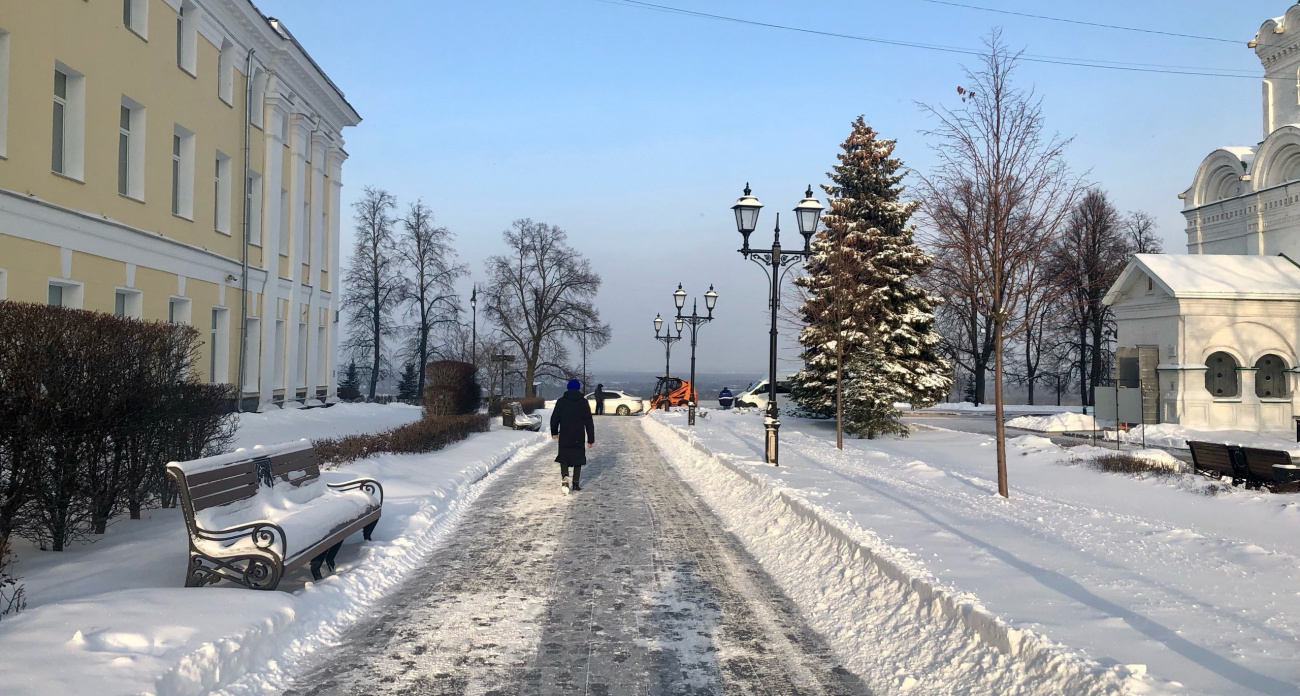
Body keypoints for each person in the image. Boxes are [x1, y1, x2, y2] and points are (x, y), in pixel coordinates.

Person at [551, 378, 594, 494]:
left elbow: (554, 418)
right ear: (578, 388)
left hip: (565, 434)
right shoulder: (583, 402)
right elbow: (589, 421)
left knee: (564, 457)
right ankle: (576, 483)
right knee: (578, 458)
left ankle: (565, 479)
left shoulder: (561, 401)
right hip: (578, 434)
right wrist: (591, 439)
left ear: (568, 388)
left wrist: (554, 432)